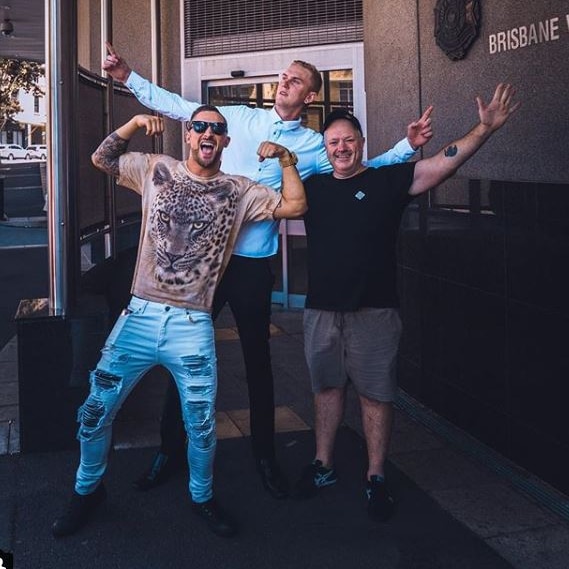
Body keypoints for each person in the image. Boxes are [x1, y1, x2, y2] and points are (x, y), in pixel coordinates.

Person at [102, 43, 433, 499]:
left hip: (252, 268)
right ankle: (168, 452)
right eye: (283, 76)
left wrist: (405, 148)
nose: (284, 83)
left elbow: (358, 168)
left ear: (310, 97)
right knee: (180, 358)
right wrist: (126, 77)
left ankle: (264, 458)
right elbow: (179, 107)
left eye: (295, 80)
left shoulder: (315, 146)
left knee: (259, 365)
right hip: (203, 266)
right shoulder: (237, 117)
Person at [52, 105, 307, 539]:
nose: (208, 132)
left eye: (218, 129)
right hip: (139, 316)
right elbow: (102, 159)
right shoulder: (157, 169)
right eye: (200, 125)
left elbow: (296, 206)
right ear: (189, 135)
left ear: (226, 142)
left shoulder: (240, 190)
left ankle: (202, 496)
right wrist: (133, 124)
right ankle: (86, 490)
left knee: (202, 424)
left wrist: (286, 158)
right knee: (94, 413)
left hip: (192, 323)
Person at [293, 84, 520, 522]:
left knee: (376, 395)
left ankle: (376, 475)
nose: (341, 148)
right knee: (326, 388)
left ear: (361, 145)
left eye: (348, 141)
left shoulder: (388, 180)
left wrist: (484, 129)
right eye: (333, 143)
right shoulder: (311, 189)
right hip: (321, 310)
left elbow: (443, 163)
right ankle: (322, 464)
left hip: (375, 311)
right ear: (326, 149)